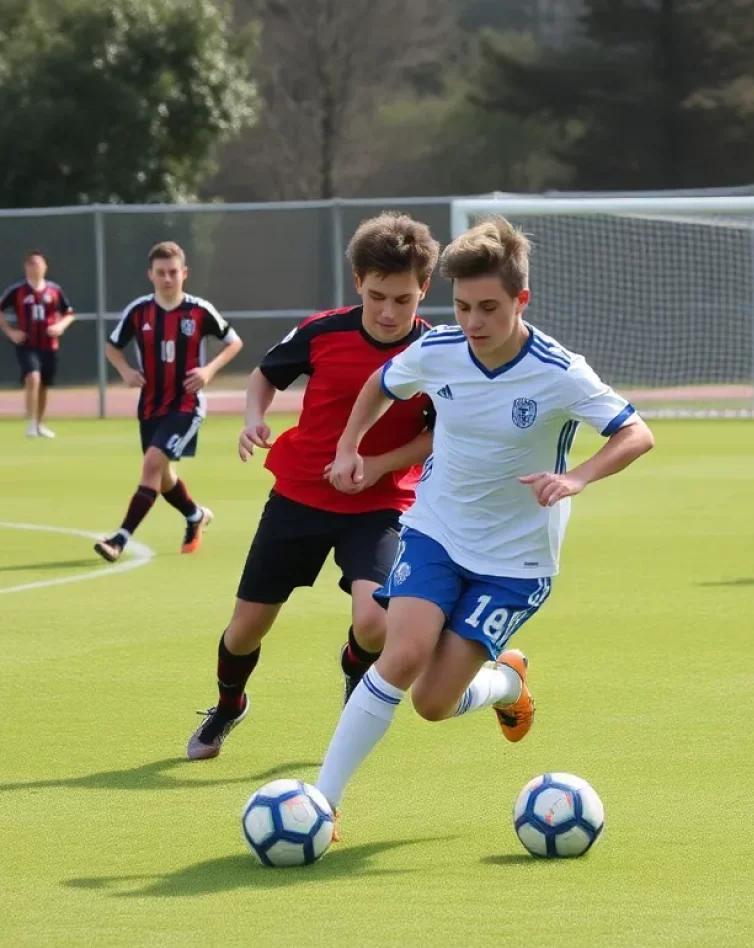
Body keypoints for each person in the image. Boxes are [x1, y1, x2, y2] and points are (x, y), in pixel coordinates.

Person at [315, 215, 655, 836]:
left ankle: (505, 682)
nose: (473, 322)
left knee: (432, 703)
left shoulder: (559, 370)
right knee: (403, 653)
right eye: (463, 306)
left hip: (516, 562)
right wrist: (348, 446)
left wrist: (576, 477)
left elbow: (637, 433)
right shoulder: (438, 350)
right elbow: (380, 384)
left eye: (490, 308)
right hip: (437, 530)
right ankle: (324, 801)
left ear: (521, 300)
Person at [186, 213, 440, 760]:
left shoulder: (439, 354)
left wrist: (379, 465)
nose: (390, 312)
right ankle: (230, 705)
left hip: (382, 503)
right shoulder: (323, 330)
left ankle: (355, 675)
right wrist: (254, 417)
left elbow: (438, 435)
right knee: (244, 631)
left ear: (424, 288)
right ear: (358, 284)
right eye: (377, 297)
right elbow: (265, 374)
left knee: (374, 622)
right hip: (299, 495)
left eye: (403, 298)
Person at [95, 241, 243, 563]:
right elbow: (112, 346)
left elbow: (233, 342)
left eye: (173, 272)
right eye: (161, 272)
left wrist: (208, 370)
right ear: (150, 275)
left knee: (151, 464)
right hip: (149, 406)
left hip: (186, 405)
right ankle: (194, 515)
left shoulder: (199, 310)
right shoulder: (139, 311)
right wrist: (125, 371)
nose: (167, 278)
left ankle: (119, 539)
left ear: (184, 273)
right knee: (162, 478)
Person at [0, 250, 75, 438]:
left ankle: (40, 424)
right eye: (32, 264)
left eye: (39, 264)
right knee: (33, 377)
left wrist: (60, 326)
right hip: (27, 344)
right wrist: (11, 332)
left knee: (43, 384)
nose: (35, 268)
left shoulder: (54, 290)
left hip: (49, 345)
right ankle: (30, 424)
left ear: (45, 267)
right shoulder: (17, 291)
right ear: (26, 267)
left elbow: (69, 313)